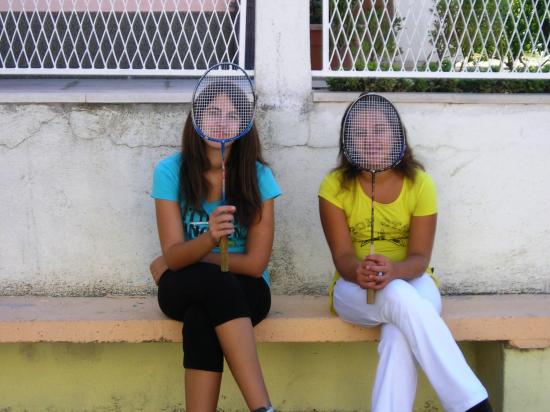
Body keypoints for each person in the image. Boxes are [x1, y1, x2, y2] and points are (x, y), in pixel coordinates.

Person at [318, 94, 492, 412]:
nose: (370, 140)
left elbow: (420, 259)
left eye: (379, 130)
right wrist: (359, 271)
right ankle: (471, 403)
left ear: (397, 136)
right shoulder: (333, 186)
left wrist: (393, 271)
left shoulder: (420, 184)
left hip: (412, 280)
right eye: (359, 133)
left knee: (398, 332)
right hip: (353, 288)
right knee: (400, 297)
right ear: (348, 142)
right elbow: (342, 257)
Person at [149, 81, 280, 412]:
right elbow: (174, 256)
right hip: (187, 283)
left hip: (247, 289)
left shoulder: (258, 176)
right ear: (196, 117)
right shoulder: (169, 172)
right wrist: (209, 238)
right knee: (214, 283)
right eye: (213, 112)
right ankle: (263, 408)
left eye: (233, 115)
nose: (222, 121)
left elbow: (255, 265)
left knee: (200, 317)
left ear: (244, 125)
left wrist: (187, 258)